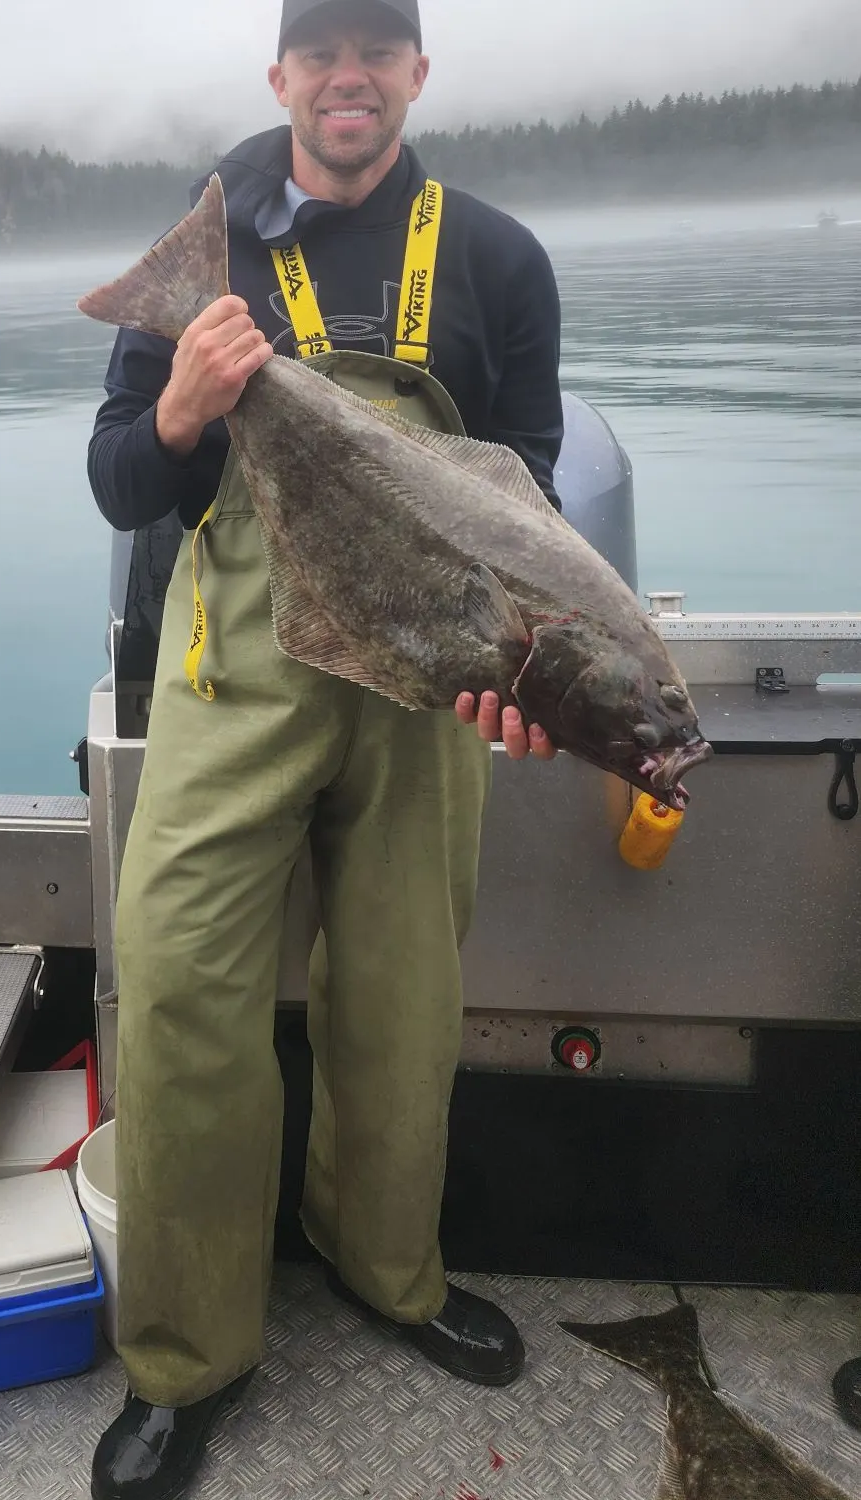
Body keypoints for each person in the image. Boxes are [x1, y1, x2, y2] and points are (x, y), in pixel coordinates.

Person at [83, 1, 564, 1496]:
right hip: (236, 676)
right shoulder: (205, 253)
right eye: (322, 51)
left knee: (404, 1007)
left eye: (377, 48)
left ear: (417, 72)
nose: (348, 77)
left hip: (426, 696)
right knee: (177, 992)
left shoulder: (498, 259)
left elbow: (531, 502)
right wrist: (179, 406)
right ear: (280, 74)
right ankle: (187, 1357)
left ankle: (387, 1268)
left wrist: (519, 669)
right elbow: (118, 484)